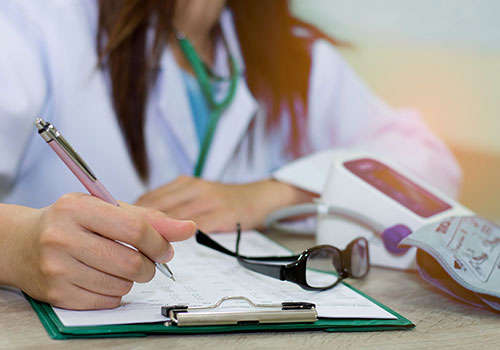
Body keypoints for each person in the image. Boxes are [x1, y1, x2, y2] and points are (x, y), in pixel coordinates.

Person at [0, 0, 461, 310]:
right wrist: (17, 245)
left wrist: (275, 192)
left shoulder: (296, 55)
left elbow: (431, 162)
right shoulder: (36, 26)